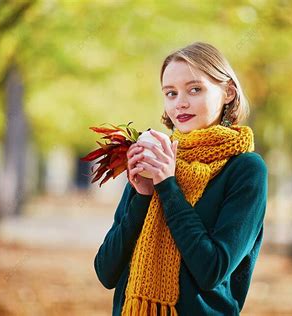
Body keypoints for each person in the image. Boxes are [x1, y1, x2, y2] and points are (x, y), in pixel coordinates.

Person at [94, 41, 268, 316]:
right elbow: (106, 271)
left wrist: (168, 187)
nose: (181, 103)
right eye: (171, 93)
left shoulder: (245, 169)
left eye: (195, 89)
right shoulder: (155, 159)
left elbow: (211, 270)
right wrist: (142, 197)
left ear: (228, 93)